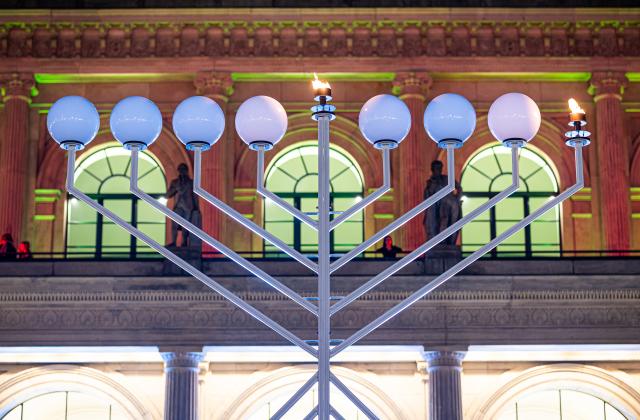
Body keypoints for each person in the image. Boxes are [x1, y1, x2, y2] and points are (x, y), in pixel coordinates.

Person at [423, 160, 463, 245]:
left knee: (452, 223)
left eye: (440, 168)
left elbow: (459, 188)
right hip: (438, 207)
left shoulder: (447, 179)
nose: (438, 170)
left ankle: (449, 241)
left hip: (451, 205)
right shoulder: (430, 183)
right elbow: (427, 198)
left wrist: (457, 199)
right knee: (442, 222)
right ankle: (440, 242)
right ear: (432, 169)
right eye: (436, 168)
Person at [166, 163, 201, 247]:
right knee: (174, 224)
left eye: (184, 170)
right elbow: (168, 195)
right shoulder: (175, 182)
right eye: (180, 170)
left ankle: (184, 242)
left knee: (186, 225)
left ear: (187, 171)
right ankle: (174, 242)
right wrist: (175, 188)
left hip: (188, 207)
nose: (182, 172)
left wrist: (197, 207)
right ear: (178, 171)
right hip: (178, 206)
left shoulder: (191, 182)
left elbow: (195, 196)